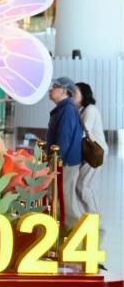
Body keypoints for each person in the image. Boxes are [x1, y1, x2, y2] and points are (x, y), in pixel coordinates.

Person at [47, 76, 84, 227]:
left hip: (65, 161)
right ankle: (65, 227)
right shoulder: (64, 108)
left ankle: (75, 229)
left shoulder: (67, 109)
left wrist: (57, 160)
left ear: (63, 91)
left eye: (54, 87)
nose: (50, 90)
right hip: (63, 160)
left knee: (64, 196)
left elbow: (65, 137)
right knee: (60, 194)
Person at [73, 82, 105, 220]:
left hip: (93, 152)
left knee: (84, 185)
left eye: (75, 92)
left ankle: (94, 217)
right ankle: (90, 216)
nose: (73, 95)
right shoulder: (85, 110)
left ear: (84, 94)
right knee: (84, 185)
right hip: (90, 151)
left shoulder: (90, 110)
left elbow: (83, 132)